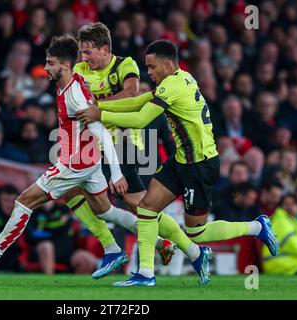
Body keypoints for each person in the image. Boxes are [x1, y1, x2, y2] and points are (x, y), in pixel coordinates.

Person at [0, 36, 211, 285]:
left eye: (50, 63)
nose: (46, 67)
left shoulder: (100, 78)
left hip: (93, 156)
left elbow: (106, 121)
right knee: (110, 209)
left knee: (24, 201)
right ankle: (162, 246)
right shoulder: (73, 79)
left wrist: (116, 172)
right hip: (90, 160)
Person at [76, 40, 279, 286]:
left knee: (197, 232)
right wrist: (101, 105)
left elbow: (140, 119)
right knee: (147, 209)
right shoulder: (180, 78)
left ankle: (256, 227)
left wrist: (101, 114)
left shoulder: (172, 86)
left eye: (152, 67)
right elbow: (139, 101)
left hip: (200, 166)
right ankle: (146, 274)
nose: (148, 72)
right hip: (181, 161)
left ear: (167, 64)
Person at [61, 22, 188, 272]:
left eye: (88, 51)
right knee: (135, 206)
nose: (83, 57)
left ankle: (116, 249)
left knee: (86, 195)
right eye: (81, 52)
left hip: (120, 145)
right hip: (92, 146)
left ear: (105, 49)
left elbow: (130, 93)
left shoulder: (124, 65)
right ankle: (180, 246)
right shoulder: (79, 69)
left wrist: (97, 107)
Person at [27, 201, 98, 275]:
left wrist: (48, 229)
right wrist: (59, 225)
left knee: (83, 257)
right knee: (47, 246)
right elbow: (31, 235)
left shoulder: (63, 209)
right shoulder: (33, 212)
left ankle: (76, 285)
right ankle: (49, 282)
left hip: (65, 252)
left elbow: (67, 227)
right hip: (41, 250)